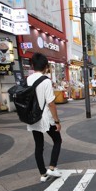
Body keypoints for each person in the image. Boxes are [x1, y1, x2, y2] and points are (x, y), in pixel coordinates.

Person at [26, 53, 62, 182]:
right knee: (57, 140)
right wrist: (57, 121)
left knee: (38, 145)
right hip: (45, 117)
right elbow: (51, 103)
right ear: (46, 66)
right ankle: (52, 168)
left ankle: (43, 174)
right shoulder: (46, 81)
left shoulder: (28, 80)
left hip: (32, 117)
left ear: (32, 66)